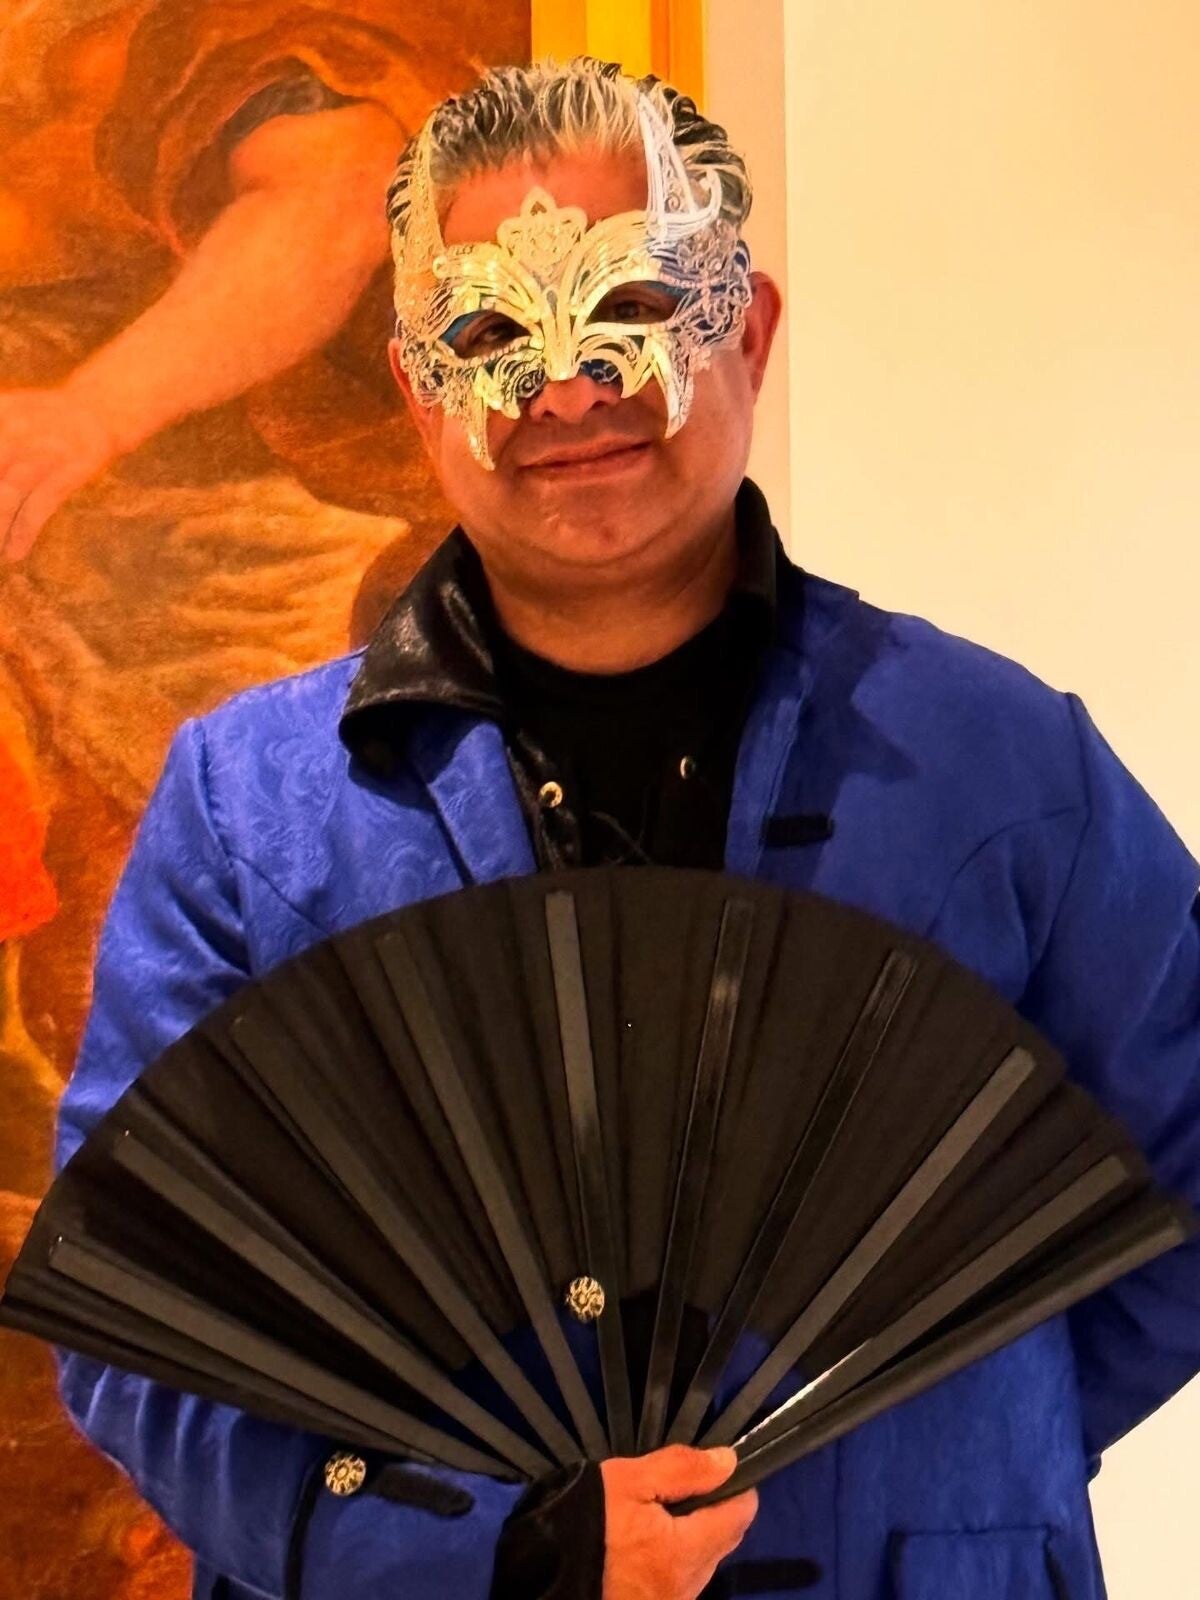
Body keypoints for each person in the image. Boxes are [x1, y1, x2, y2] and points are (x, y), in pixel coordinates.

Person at [52, 55, 1200, 1600]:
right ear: (415, 390)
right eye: (486, 335)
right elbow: (143, 1316)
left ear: (753, 330)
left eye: (636, 307)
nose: (570, 386)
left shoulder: (1007, 767)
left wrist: (957, 1451)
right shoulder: (245, 812)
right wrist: (468, 1553)